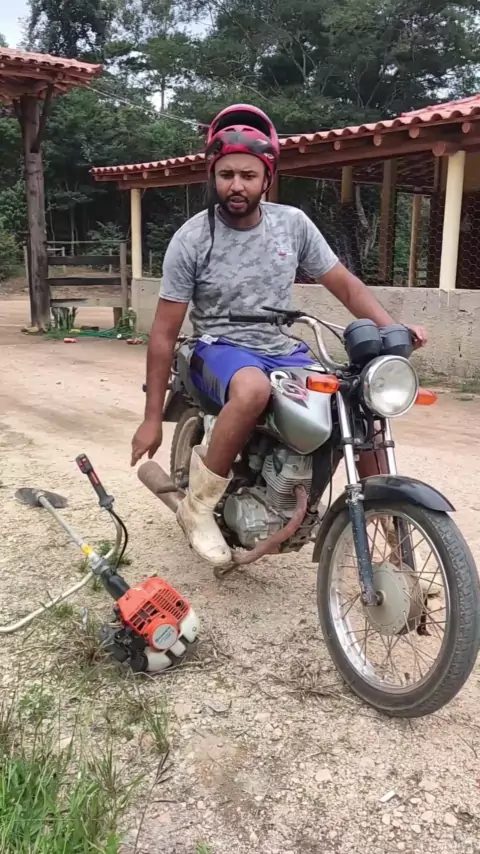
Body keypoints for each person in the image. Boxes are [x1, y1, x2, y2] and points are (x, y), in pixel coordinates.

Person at [131, 104, 428, 567]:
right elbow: (164, 334)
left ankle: (394, 536)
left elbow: (345, 285)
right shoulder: (192, 239)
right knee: (252, 389)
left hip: (280, 347)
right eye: (226, 174)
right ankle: (198, 507)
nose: (236, 185)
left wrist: (391, 328)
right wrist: (151, 418)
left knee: (355, 398)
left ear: (267, 178)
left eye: (248, 175)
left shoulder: (292, 224)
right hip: (217, 347)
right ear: (213, 175)